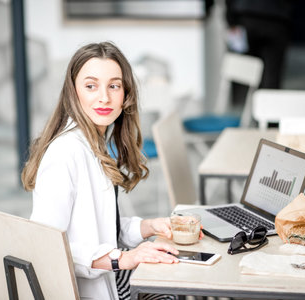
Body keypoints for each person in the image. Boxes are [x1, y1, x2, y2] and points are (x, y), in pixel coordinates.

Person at [21, 42, 199, 299]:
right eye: (91, 86)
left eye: (113, 86)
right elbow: (46, 247)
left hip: (111, 278)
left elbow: (100, 227)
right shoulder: (65, 154)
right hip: (86, 289)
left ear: (125, 94)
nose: (104, 97)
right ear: (73, 93)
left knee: (176, 275)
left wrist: (149, 227)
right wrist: (123, 259)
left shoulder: (95, 141)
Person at [225, 0, 305, 89]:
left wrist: (230, 19)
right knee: (265, 77)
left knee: (252, 77)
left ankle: (258, 122)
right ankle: (265, 123)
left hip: (248, 17)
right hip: (273, 20)